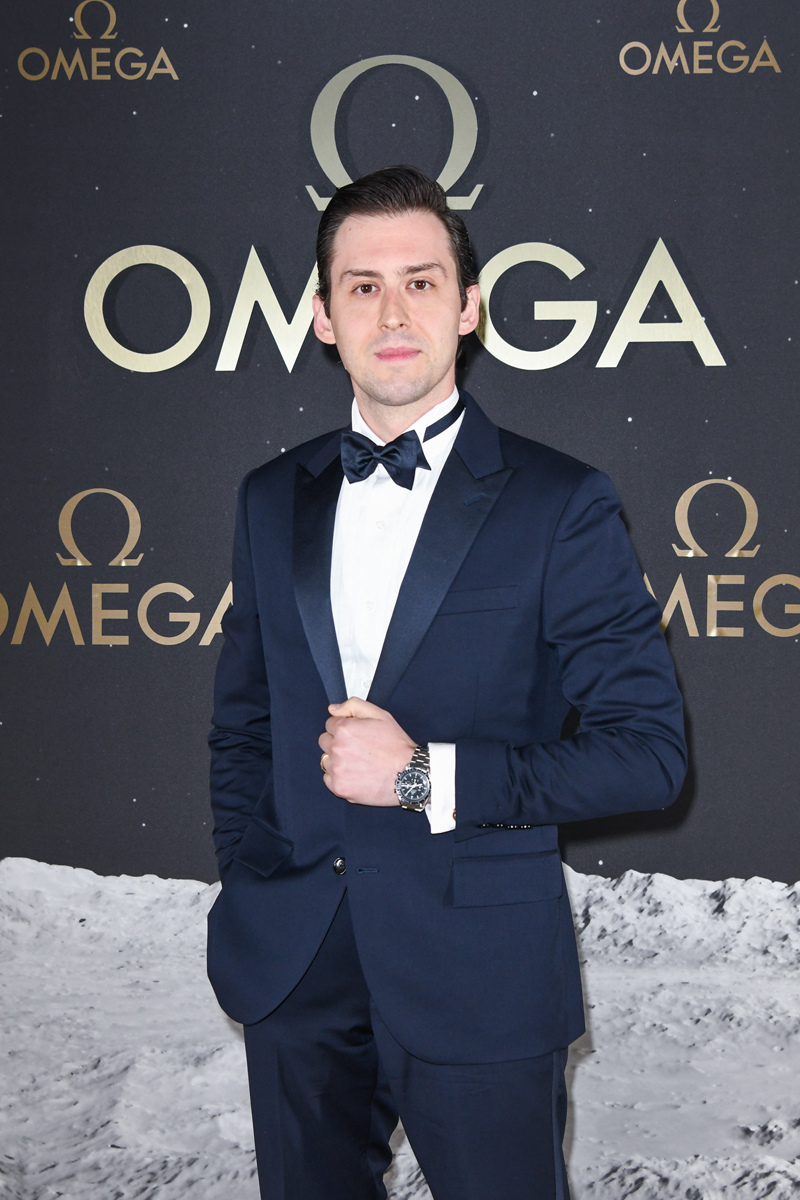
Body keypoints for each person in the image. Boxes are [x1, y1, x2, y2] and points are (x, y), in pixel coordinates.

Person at [207, 165, 686, 1200]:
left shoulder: (560, 502)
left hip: (480, 974)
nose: (392, 312)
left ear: (467, 308)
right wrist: (249, 879)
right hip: (294, 970)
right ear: (323, 317)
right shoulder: (268, 498)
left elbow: (647, 756)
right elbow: (243, 724)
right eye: (362, 285)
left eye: (420, 283)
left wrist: (423, 776)